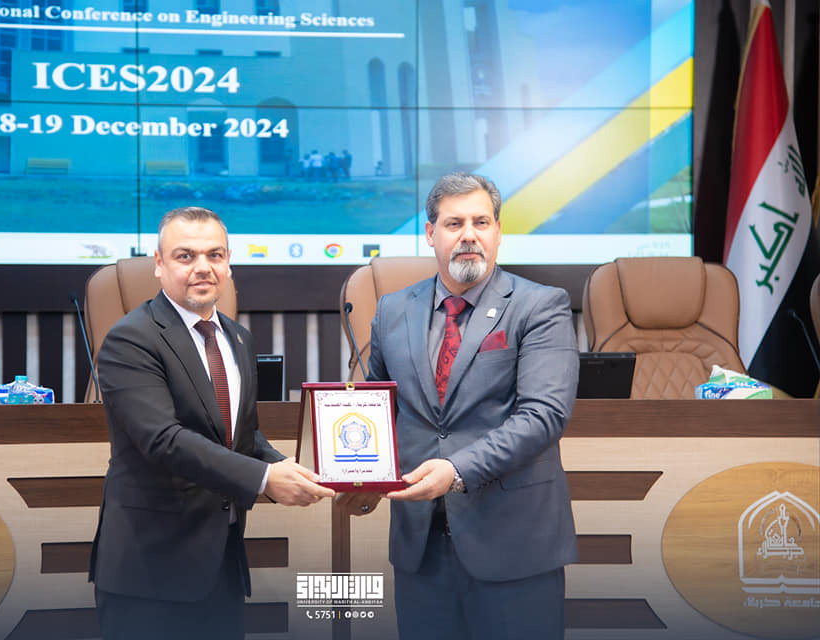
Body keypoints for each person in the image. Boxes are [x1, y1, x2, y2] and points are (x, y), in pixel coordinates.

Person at [340, 172, 579, 639]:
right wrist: (359, 473)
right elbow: (378, 408)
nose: (469, 235)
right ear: (431, 233)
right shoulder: (392, 310)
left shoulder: (540, 306)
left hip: (514, 545)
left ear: (498, 231)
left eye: (481, 222)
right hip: (421, 548)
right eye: (454, 223)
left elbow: (543, 416)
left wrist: (455, 470)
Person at [89, 206, 335, 639]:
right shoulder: (131, 338)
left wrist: (288, 468)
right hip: (149, 571)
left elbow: (240, 435)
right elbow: (163, 440)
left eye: (215, 255)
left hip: (222, 562)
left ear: (228, 263)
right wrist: (265, 478)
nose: (203, 267)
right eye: (185, 256)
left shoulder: (237, 337)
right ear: (159, 264)